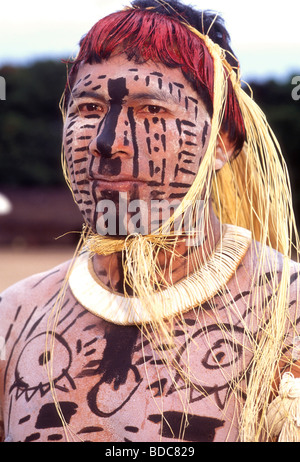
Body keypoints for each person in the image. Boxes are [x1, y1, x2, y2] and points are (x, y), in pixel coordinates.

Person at [1, 0, 300, 443]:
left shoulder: (287, 316)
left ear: (221, 144)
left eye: (152, 111)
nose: (108, 142)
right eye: (87, 109)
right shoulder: (14, 317)